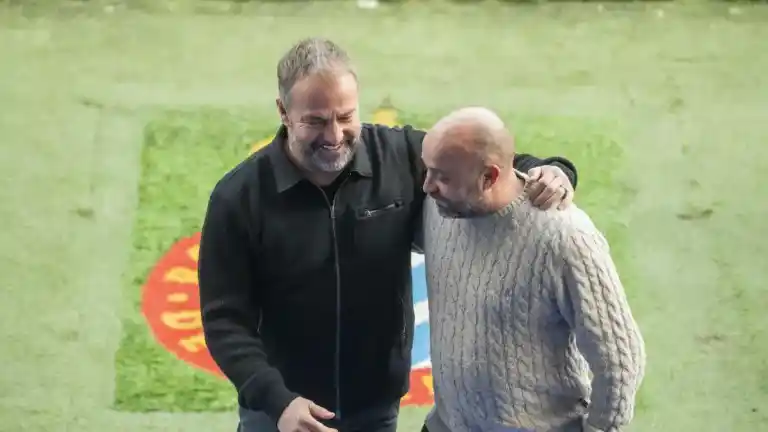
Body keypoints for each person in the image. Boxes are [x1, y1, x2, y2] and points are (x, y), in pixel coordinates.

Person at [197, 38, 579, 432]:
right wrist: (278, 402)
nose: (334, 135)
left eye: (345, 116)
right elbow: (225, 321)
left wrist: (553, 170)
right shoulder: (238, 197)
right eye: (315, 121)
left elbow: (487, 161)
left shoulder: (399, 156)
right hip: (280, 415)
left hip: (375, 409)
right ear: (283, 112)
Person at [418, 107, 646, 432]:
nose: (427, 187)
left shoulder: (565, 238)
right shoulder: (440, 208)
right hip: (447, 425)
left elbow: (619, 361)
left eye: (443, 177)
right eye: (428, 171)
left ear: (489, 177)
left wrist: (598, 429)